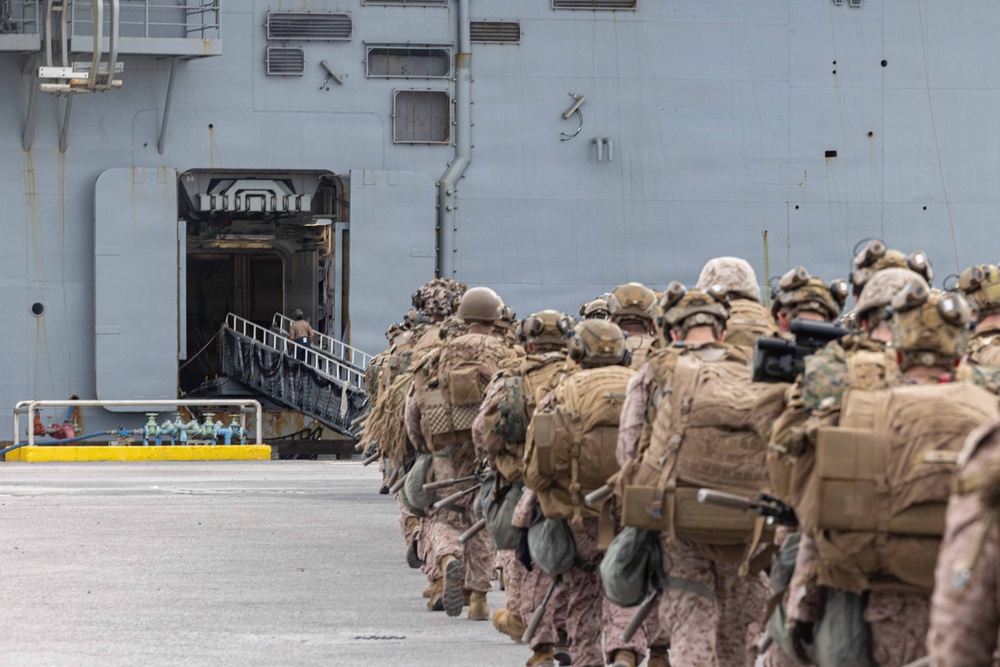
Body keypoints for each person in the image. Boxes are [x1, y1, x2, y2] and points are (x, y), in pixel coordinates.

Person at [616, 284, 783, 667]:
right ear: (722, 331)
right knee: (737, 632)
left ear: (673, 331)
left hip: (680, 519)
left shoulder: (659, 367)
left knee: (692, 624)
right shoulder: (753, 366)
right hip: (748, 521)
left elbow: (627, 448)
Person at [406, 286, 522, 621]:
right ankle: (480, 600)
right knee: (481, 519)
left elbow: (414, 405)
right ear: (495, 317)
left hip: (446, 449)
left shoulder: (442, 353)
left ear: (463, 316)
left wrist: (422, 445)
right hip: (486, 450)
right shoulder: (506, 352)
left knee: (446, 516)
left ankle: (447, 559)